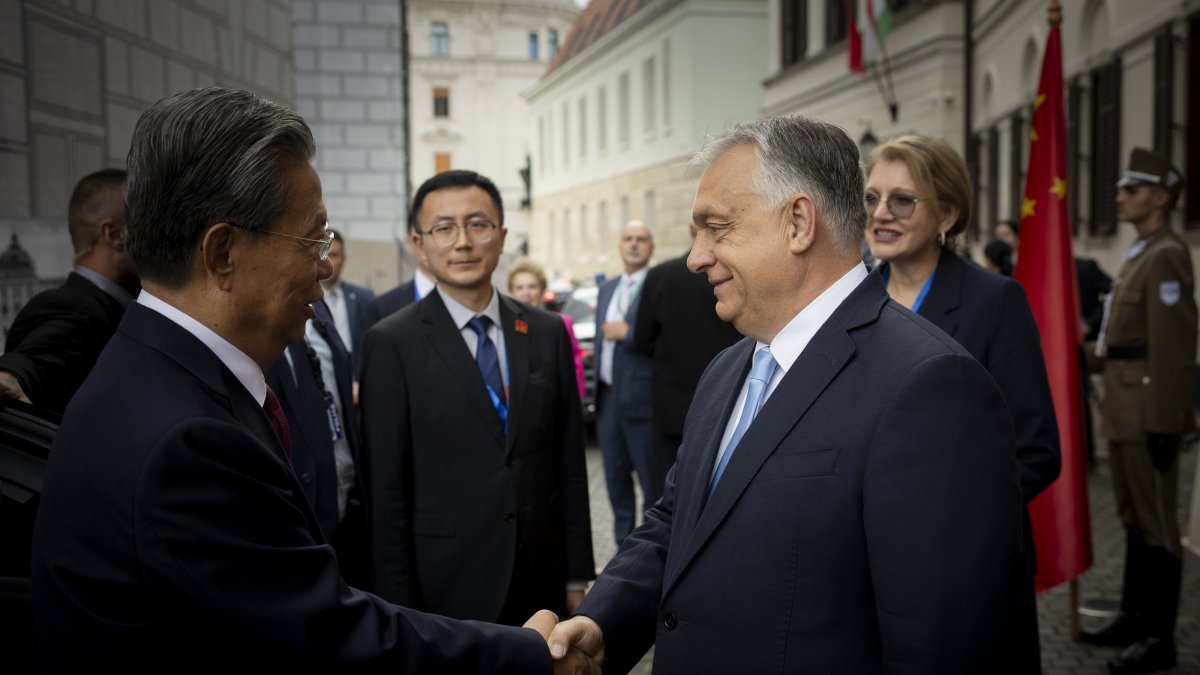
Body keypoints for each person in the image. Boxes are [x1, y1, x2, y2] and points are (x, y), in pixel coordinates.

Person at [29, 86, 577, 672]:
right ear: (222, 254)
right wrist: (526, 656)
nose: (324, 265)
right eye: (312, 238)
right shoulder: (187, 441)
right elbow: (326, 638)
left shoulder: (152, 369)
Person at [548, 116, 1023, 673]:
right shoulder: (728, 369)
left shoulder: (931, 386)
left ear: (799, 222)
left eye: (716, 228)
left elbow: (946, 646)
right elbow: (679, 523)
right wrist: (602, 622)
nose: (697, 256)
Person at [361, 169, 594, 626]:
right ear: (418, 244)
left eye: (478, 224)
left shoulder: (544, 332)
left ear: (502, 236)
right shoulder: (391, 342)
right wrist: (399, 606)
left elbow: (568, 460)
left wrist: (575, 576)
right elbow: (386, 491)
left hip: (540, 574)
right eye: (443, 229)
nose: (463, 241)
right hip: (445, 583)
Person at [865, 134, 1060, 674]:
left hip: (963, 571)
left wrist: (935, 518)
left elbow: (1038, 451)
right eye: (872, 197)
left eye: (902, 200)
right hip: (867, 569)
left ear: (947, 213)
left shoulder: (995, 302)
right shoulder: (853, 302)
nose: (881, 213)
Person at [1082, 147, 1196, 674]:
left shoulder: (1168, 253)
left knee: (1157, 526)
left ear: (1161, 197)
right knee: (1131, 518)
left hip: (1148, 407)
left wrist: (1165, 421)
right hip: (1126, 402)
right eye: (1122, 189)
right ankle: (1133, 616)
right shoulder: (1140, 252)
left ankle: (1159, 637)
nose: (1121, 196)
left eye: (1132, 189)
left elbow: (1173, 348)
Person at [0, 169, 138, 414]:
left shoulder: (119, 307)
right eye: (150, 223)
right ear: (116, 235)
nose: (164, 234)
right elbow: (45, 350)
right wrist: (14, 374)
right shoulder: (71, 310)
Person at [264, 299, 368, 585]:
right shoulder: (252, 315)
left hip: (347, 506)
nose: (325, 266)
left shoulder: (316, 306)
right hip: (297, 516)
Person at [632, 223, 742, 472]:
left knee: (665, 493)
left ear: (691, 230)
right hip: (726, 404)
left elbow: (641, 339)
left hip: (672, 408)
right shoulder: (736, 277)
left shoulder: (660, 275)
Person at [593, 220, 666, 545]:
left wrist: (630, 334)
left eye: (641, 239)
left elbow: (668, 339)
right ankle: (622, 552)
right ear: (620, 246)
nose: (634, 244)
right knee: (615, 482)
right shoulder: (607, 288)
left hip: (643, 402)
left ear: (651, 248)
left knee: (652, 486)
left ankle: (650, 555)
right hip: (607, 402)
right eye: (628, 239)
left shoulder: (658, 286)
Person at [507, 258, 586, 400]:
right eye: (519, 288)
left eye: (532, 286)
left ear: (542, 289)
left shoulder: (561, 322)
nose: (526, 293)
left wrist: (578, 398)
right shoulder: (505, 325)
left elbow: (575, 363)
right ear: (512, 292)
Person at [365, 223, 437, 327]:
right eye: (418, 240)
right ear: (412, 241)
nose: (424, 246)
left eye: (442, 230)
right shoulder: (381, 307)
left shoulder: (465, 300)